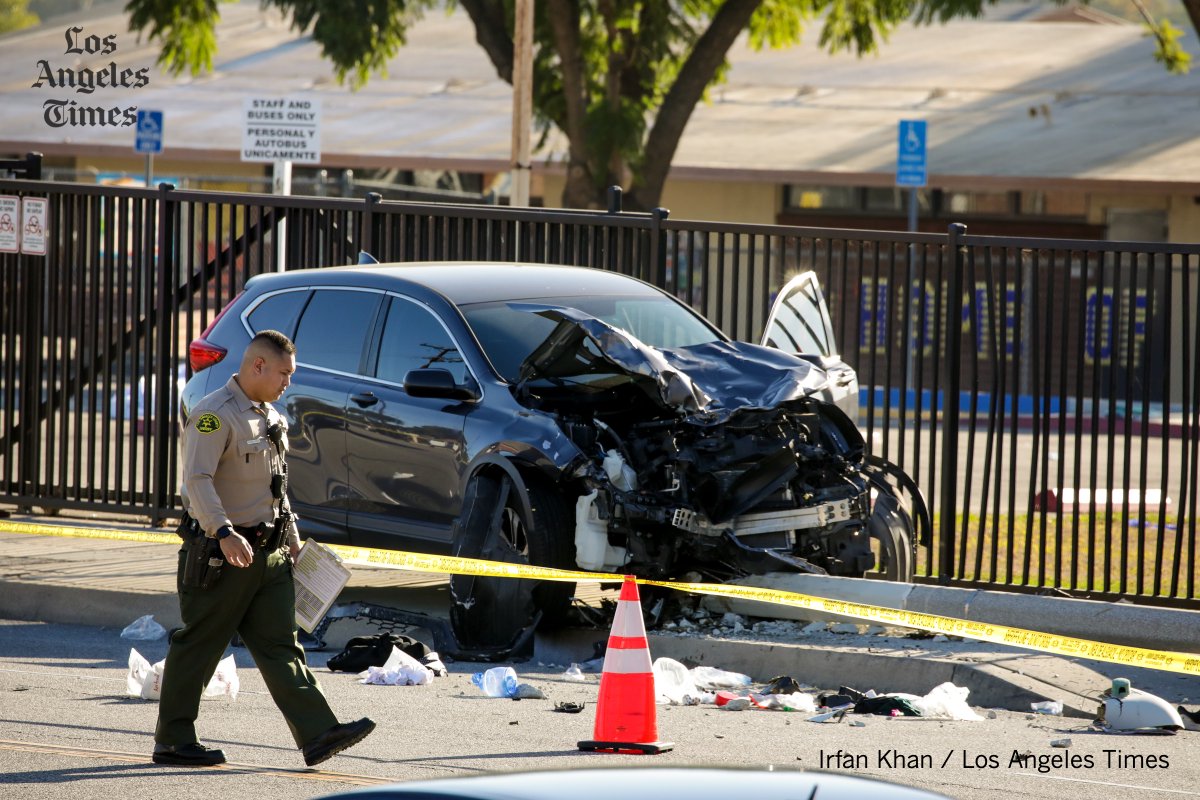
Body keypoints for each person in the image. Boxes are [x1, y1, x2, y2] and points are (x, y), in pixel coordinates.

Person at [153, 330, 375, 768]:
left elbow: (277, 486)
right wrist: (222, 531)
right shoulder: (214, 415)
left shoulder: (269, 416)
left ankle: (317, 733)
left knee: (281, 645)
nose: (288, 382)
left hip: (268, 555)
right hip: (223, 555)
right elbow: (196, 481)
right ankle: (174, 740)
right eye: (284, 373)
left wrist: (291, 538)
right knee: (200, 644)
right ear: (258, 366)